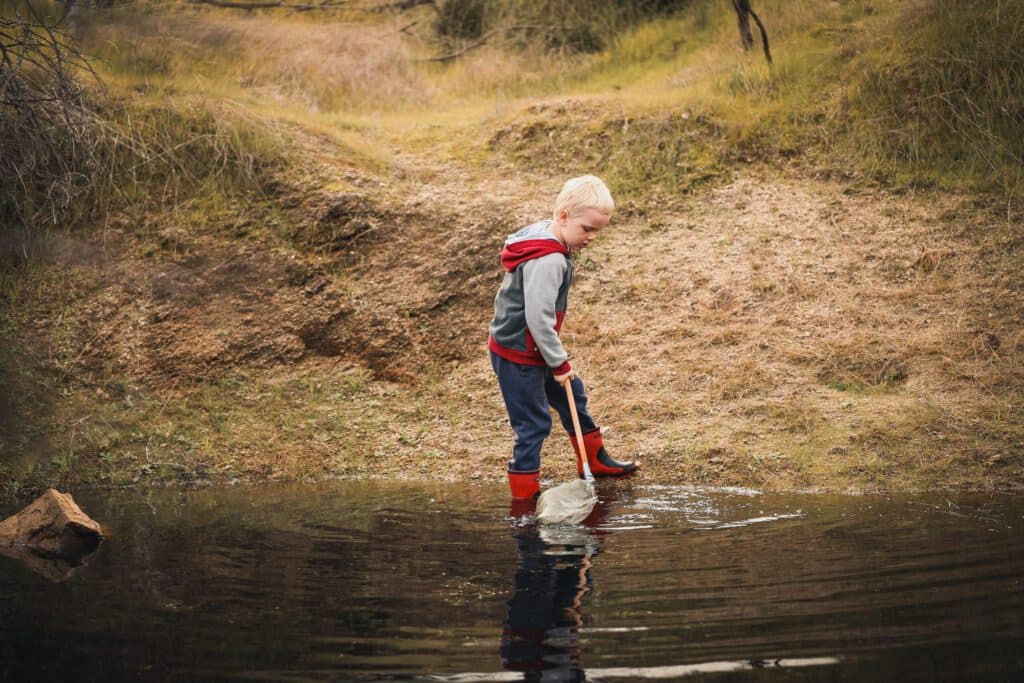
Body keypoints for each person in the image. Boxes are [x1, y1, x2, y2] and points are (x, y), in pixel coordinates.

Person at [488, 175, 637, 500]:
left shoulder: (547, 234)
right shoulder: (549, 260)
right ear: (564, 217)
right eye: (587, 229)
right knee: (533, 424)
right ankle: (525, 500)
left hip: (533, 346)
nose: (592, 237)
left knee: (573, 395)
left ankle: (594, 460)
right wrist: (558, 363)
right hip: (519, 353)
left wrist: (556, 363)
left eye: (597, 230)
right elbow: (538, 320)